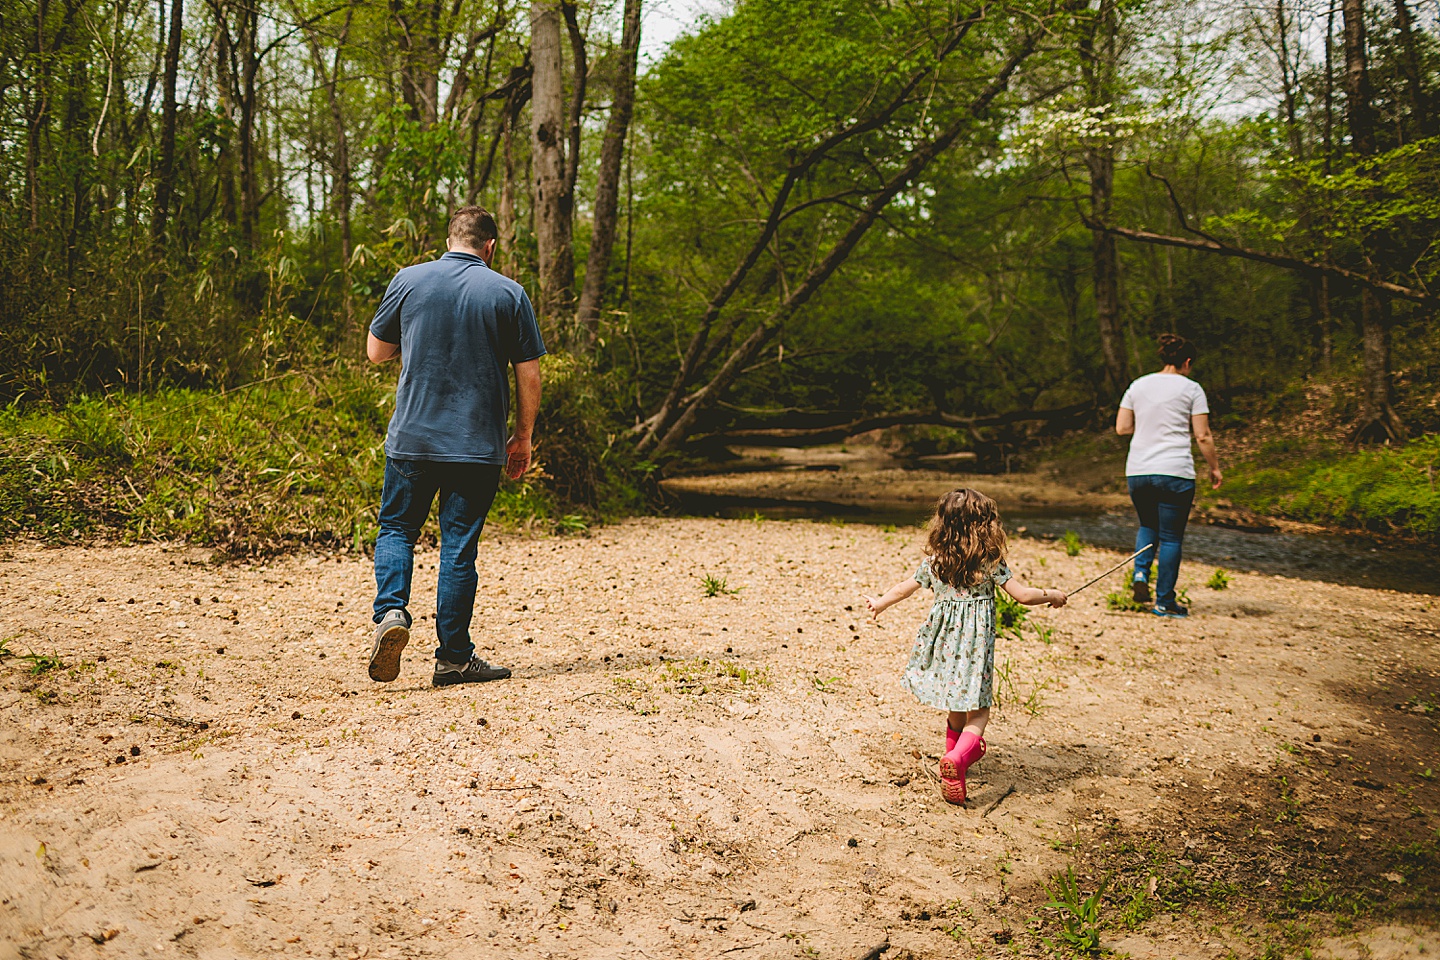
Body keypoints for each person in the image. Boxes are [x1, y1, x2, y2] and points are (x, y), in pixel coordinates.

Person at [365, 206, 546, 687]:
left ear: (449, 239)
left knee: (397, 529)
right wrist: (522, 438)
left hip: (412, 439)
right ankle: (453, 659)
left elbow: (376, 352)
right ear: (490, 247)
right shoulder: (509, 292)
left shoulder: (408, 279)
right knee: (458, 548)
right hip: (476, 445)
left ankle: (391, 614)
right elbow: (529, 373)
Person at [863, 489, 1067, 805]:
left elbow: (904, 589)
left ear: (943, 525)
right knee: (980, 708)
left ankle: (951, 757)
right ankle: (958, 760)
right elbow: (1024, 596)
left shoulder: (935, 563)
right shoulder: (990, 564)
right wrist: (1052, 594)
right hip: (975, 646)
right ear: (985, 526)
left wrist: (879, 603)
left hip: (944, 644)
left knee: (956, 701)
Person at [1116, 333, 1222, 619]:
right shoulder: (1192, 389)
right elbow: (1202, 435)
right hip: (1175, 471)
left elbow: (1122, 428)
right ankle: (1164, 602)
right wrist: (1214, 467)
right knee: (1172, 538)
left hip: (1138, 470)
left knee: (1147, 525)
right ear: (1186, 362)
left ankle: (1140, 574)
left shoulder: (1137, 385)